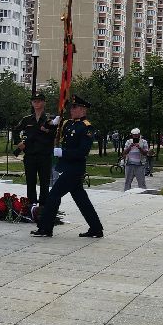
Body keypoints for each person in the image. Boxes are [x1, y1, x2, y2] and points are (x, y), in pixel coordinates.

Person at [32, 95, 103, 239]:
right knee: (82, 200)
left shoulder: (87, 127)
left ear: (83, 109)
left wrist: (63, 152)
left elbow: (83, 152)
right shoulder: (68, 124)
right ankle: (96, 228)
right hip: (67, 167)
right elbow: (44, 128)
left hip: (75, 169)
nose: (71, 109)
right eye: (71, 107)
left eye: (75, 107)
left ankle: (46, 228)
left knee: (53, 196)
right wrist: (53, 122)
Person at [14, 95, 57, 207]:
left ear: (44, 103)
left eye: (39, 101)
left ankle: (43, 207)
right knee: (30, 182)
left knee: (44, 182)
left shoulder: (51, 119)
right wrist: (19, 142)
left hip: (44, 155)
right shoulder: (27, 119)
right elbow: (16, 130)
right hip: (30, 155)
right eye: (34, 101)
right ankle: (31, 206)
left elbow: (56, 135)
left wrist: (47, 130)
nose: (36, 103)